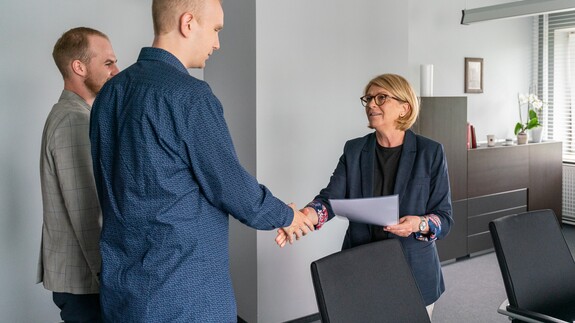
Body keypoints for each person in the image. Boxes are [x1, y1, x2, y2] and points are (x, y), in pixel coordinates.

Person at [89, 0, 313, 321]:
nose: (217, 43)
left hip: (123, 291)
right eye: (216, 29)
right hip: (183, 292)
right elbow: (232, 189)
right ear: (188, 23)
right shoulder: (190, 96)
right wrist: (286, 216)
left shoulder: (109, 93)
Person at [276, 73, 453, 319]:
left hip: (413, 270)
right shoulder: (355, 149)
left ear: (404, 108)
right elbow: (329, 200)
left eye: (381, 98)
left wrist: (419, 223)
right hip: (361, 265)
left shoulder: (430, 152)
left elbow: (444, 218)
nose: (371, 104)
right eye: (368, 98)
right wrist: (304, 216)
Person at [38, 27, 119, 322]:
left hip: (82, 281)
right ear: (79, 67)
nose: (116, 70)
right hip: (87, 283)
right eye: (108, 63)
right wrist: (111, 278)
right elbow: (87, 211)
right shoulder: (74, 121)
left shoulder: (76, 116)